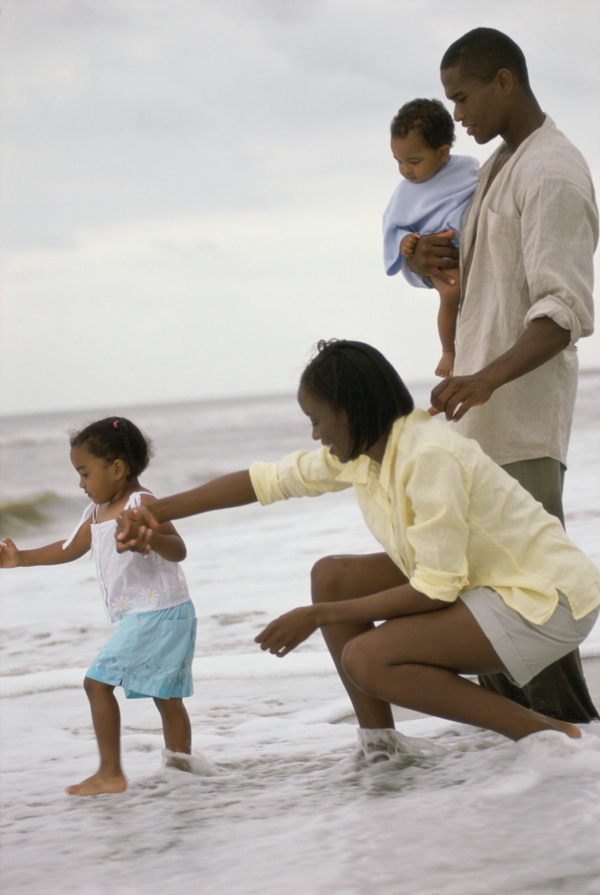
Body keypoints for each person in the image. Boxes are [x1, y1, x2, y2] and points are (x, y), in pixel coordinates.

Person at [116, 341, 600, 750]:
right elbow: (262, 482)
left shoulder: (427, 457)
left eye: (318, 419)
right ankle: (381, 746)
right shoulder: (367, 451)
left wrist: (317, 616)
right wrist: (154, 512)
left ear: (349, 413)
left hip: (544, 600)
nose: (315, 434)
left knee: (368, 658)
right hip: (487, 579)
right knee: (333, 576)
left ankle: (548, 736)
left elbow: (436, 590)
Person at [406, 28, 598, 722]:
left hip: (519, 430)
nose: (456, 115)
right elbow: (490, 286)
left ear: (504, 81)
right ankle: (528, 772)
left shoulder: (551, 172)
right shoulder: (501, 166)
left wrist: (485, 377)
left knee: (530, 615)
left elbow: (565, 310)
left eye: (462, 98)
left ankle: (570, 751)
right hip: (484, 429)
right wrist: (434, 262)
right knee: (491, 611)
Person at [0, 417, 197, 795]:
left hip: (159, 613)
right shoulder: (95, 513)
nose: (80, 483)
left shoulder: (143, 503)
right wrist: (20, 557)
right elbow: (67, 548)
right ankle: (182, 773)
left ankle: (111, 773)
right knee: (166, 698)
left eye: (85, 473)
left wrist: (149, 538)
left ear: (118, 469)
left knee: (97, 683)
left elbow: (179, 549)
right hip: (158, 613)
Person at [382, 98, 479, 376]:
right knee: (451, 291)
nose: (404, 169)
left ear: (442, 153)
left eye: (413, 161)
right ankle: (449, 351)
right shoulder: (405, 192)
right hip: (441, 258)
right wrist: (405, 243)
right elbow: (393, 225)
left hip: (469, 247)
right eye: (398, 161)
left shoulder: (467, 168)